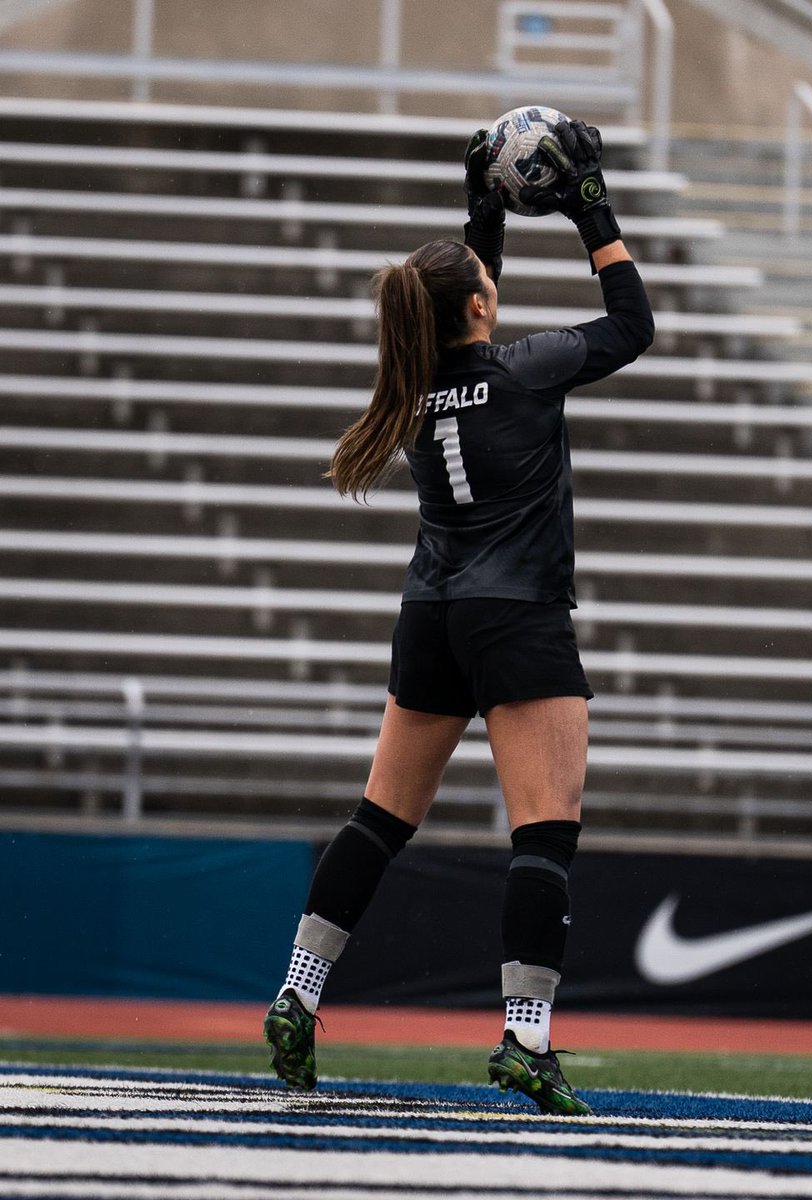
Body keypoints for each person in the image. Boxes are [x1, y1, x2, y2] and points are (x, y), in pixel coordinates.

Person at [261, 119, 655, 1116]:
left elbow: (459, 290)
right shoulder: (525, 367)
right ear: (479, 303)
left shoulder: (411, 383)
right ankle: (526, 1041)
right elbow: (632, 323)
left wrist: (482, 203)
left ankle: (298, 996)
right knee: (542, 839)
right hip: (517, 618)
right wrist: (589, 206)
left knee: (379, 821)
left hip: (430, 616)